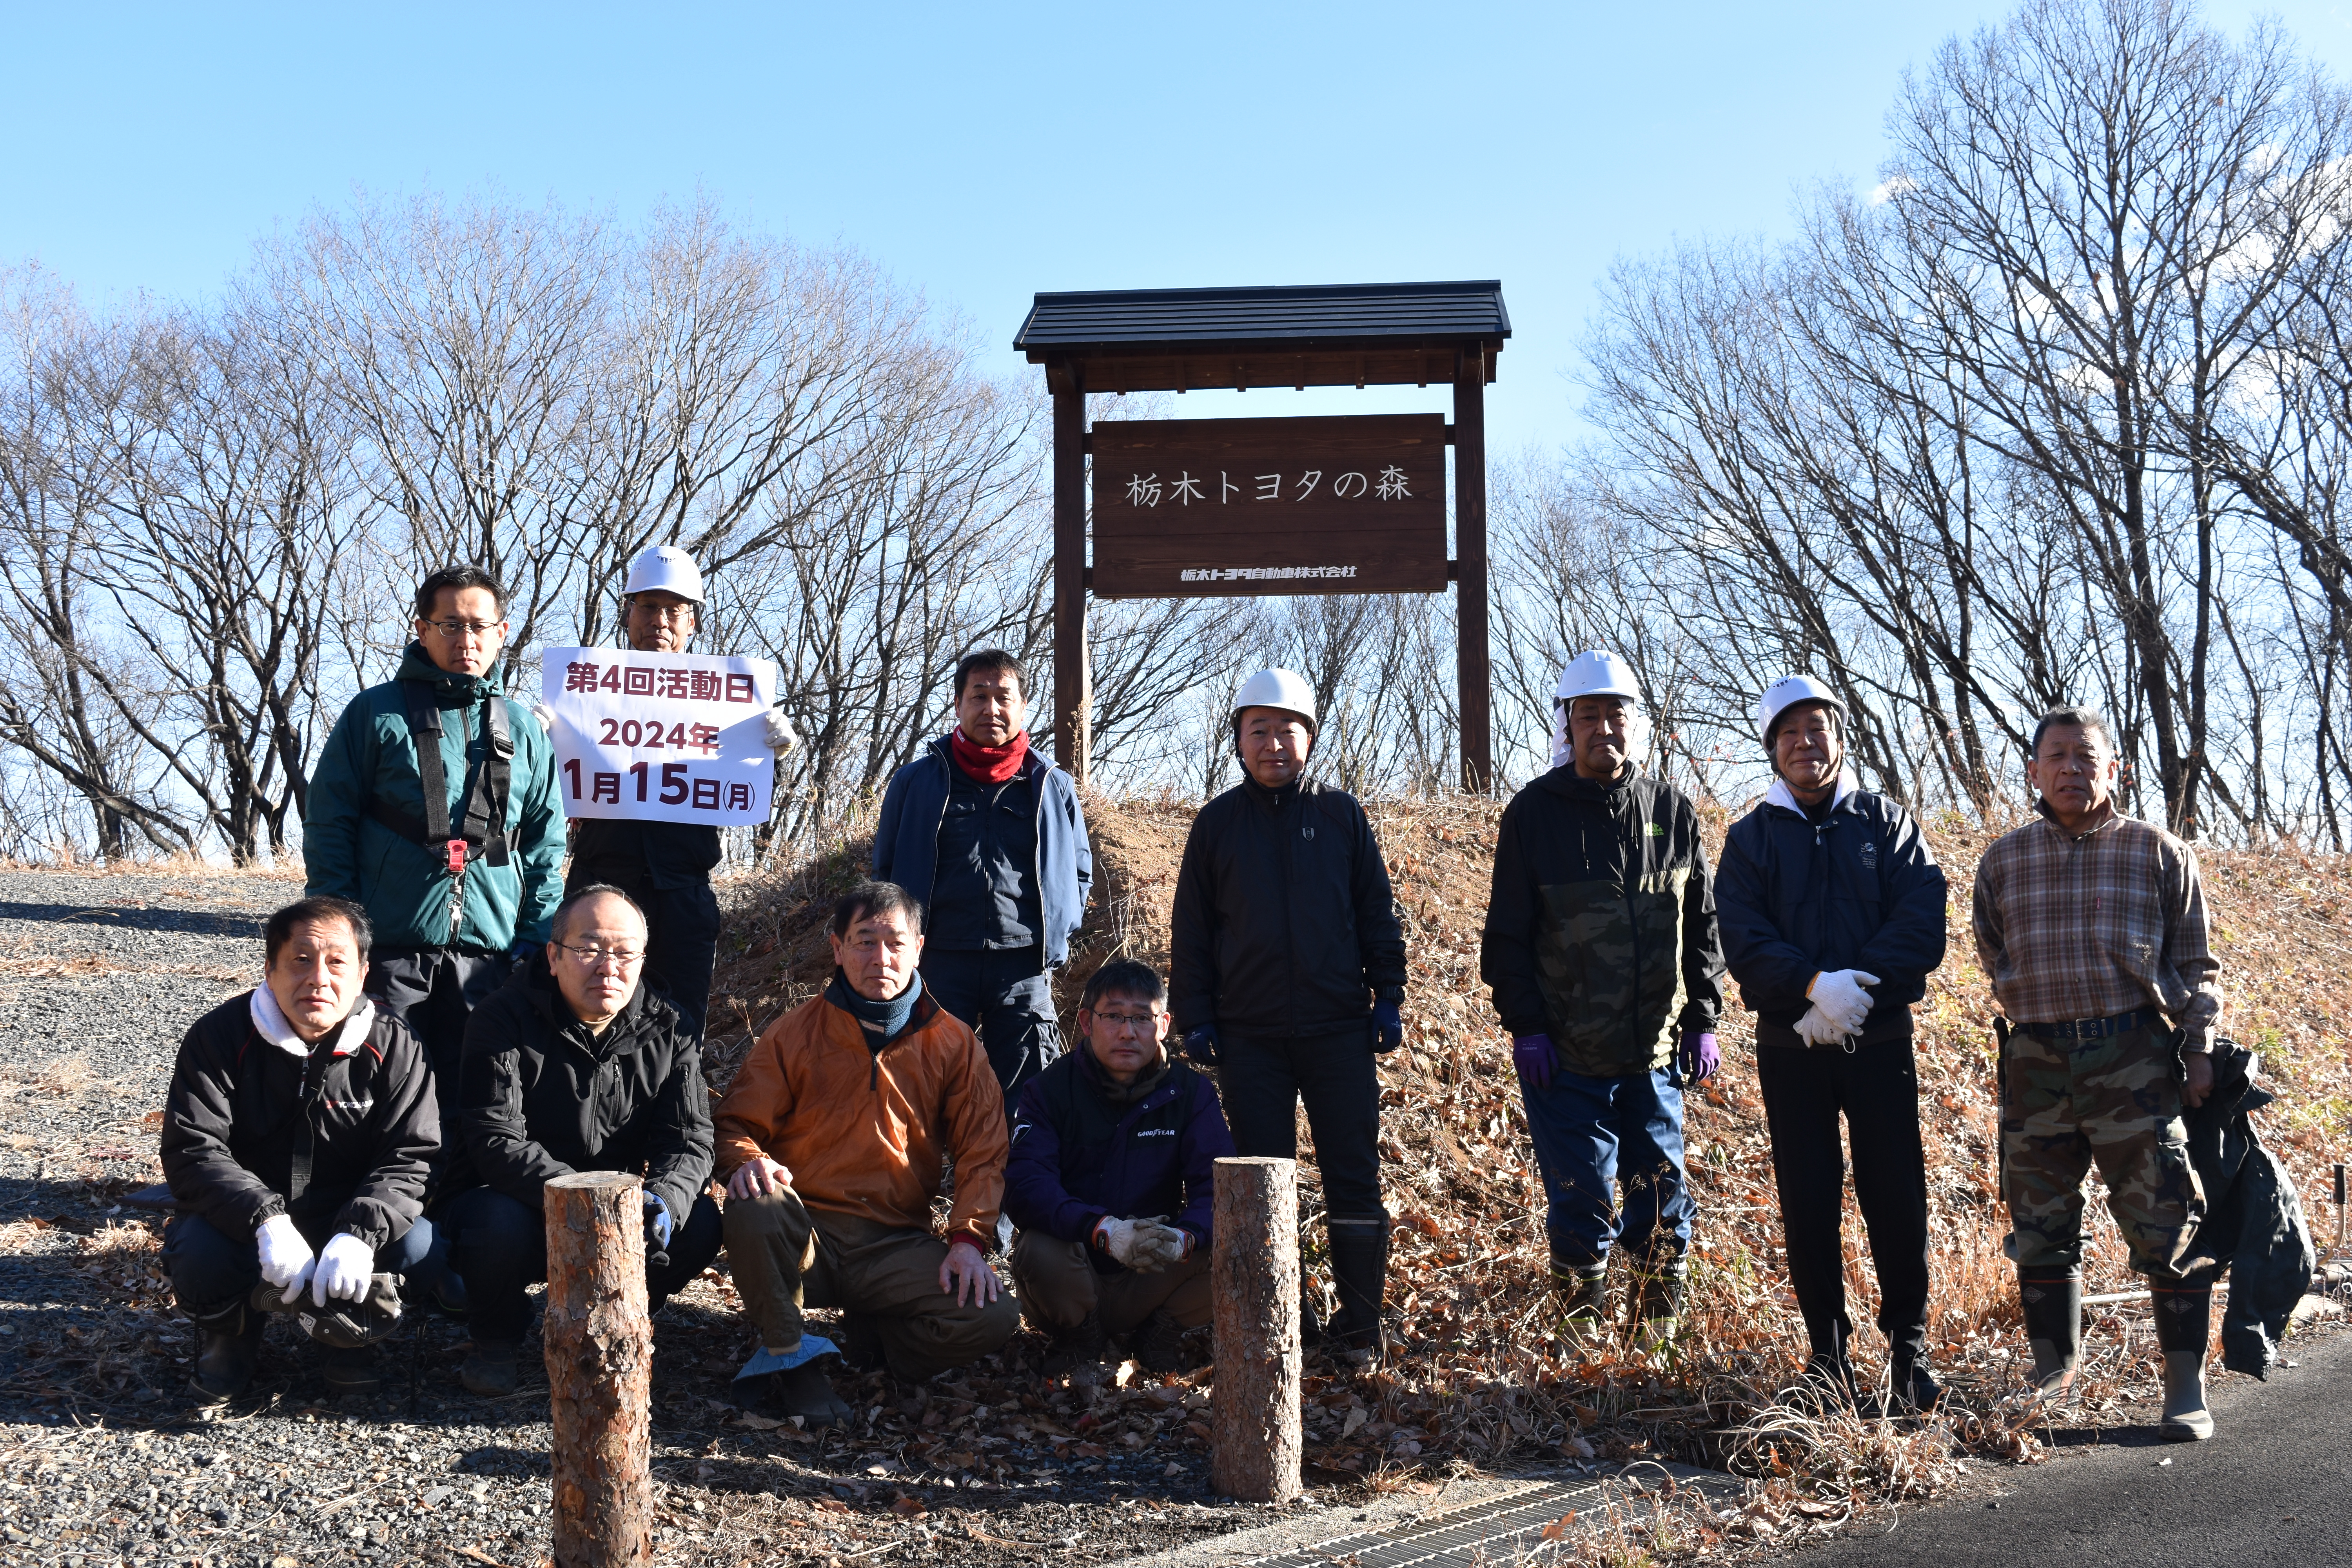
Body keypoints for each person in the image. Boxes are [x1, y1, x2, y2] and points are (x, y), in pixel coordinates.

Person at [1973, 705, 2224, 1441]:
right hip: (2036, 1061)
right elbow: (1994, 951)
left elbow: (2196, 963)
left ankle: (2185, 1388)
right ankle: (2053, 1376)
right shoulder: (2003, 860)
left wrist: (2201, 1048)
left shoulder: (2158, 851)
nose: (2071, 770)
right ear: (2034, 772)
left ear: (2114, 769)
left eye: (2087, 758)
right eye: (2056, 757)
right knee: (2041, 1224)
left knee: (2167, 1218)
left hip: (2134, 1057)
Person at [1715, 676, 1949, 1409]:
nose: (1804, 744)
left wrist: (1854, 994)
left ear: (1839, 738)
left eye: (1816, 729)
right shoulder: (1750, 839)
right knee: (1808, 1200)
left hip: (1879, 1045)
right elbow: (1743, 940)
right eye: (1789, 734)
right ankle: (1828, 1357)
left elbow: (1921, 919)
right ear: (1771, 750)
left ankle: (1907, 1353)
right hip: (1792, 1053)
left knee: (1896, 1195)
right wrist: (1813, 989)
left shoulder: (1886, 822)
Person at [1480, 650, 1724, 1348]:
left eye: (1615, 713)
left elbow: (1703, 925)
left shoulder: (1671, 810)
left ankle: (1656, 1340)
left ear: (1633, 723)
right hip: (1566, 1060)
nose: (1603, 728)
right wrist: (1526, 1027)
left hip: (1654, 1058)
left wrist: (1703, 1018)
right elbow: (1507, 937)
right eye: (1588, 715)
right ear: (1567, 725)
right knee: (1581, 1201)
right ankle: (1582, 1346)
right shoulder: (1533, 815)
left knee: (1661, 1200)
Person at [713, 880, 1019, 1426]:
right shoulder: (793, 1034)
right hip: (805, 1235)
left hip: (895, 1243)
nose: (881, 957)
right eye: (864, 941)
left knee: (994, 1315)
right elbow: (735, 1125)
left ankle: (877, 1342)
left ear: (919, 948)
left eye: (895, 943)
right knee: (752, 1205)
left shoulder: (954, 1043)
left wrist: (969, 1239)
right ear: (836, 949)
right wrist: (747, 1160)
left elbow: (984, 1151)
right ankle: (791, 1360)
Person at [1170, 668, 1407, 1361]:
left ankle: (1362, 1330)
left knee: (1352, 1175)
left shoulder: (1341, 816)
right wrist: (1197, 1017)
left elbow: (1377, 915)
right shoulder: (1217, 825)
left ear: (1311, 736)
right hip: (1250, 1037)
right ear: (1238, 741)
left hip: (1339, 1032)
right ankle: (1286, 1327)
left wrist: (1387, 996)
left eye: (1288, 730)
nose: (1274, 744)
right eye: (1259, 731)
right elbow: (1193, 932)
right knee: (1265, 1181)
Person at [303, 564, 564, 1182]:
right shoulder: (373, 715)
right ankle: (370, 1225)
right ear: (422, 629)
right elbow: (330, 821)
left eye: (479, 627)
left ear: (502, 633)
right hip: (391, 950)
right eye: (450, 625)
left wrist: (536, 935)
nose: (465, 641)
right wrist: (342, 928)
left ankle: (460, 1236)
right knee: (378, 1094)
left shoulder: (523, 729)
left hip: (491, 957)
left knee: (479, 1103)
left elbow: (546, 845)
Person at [437, 884, 720, 1396]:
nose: (607, 966)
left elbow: (690, 1140)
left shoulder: (670, 1027)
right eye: (588, 948)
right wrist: (590, 1201)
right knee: (490, 1222)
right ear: (553, 955)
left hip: (621, 1207)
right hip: (521, 1203)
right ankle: (496, 1336)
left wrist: (659, 1201)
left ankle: (614, 1320)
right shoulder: (500, 1019)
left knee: (698, 1221)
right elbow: (495, 1137)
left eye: (624, 952)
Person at [160, 896, 440, 1401]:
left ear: (362, 974)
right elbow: (193, 1149)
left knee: (417, 1244)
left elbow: (411, 1154)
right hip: (246, 1220)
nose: (318, 979)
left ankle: (348, 1336)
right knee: (197, 1249)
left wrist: (359, 1230)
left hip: (346, 1212)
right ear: (270, 968)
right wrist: (265, 1219)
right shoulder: (218, 1036)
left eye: (336, 962)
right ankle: (231, 1338)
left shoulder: (396, 1044)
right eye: (301, 960)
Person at [551, 544, 799, 1042]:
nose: (659, 621)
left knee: (678, 1030)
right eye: (647, 606)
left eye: (674, 610)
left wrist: (771, 755)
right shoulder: (584, 692)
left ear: (693, 624)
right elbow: (543, 796)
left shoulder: (724, 701)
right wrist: (540, 743)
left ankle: (674, 1120)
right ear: (627, 615)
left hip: (683, 891)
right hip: (599, 884)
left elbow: (739, 794)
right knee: (584, 1025)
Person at [872, 649, 1091, 1100]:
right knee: (922, 1093)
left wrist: (1059, 933)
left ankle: (1017, 1175)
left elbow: (1079, 872)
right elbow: (886, 871)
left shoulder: (1051, 784)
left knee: (1029, 1100)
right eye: (979, 695)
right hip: (937, 960)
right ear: (957, 704)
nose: (991, 708)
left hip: (1023, 967)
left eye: (1003, 697)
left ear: (1023, 706)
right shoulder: (917, 781)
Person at [1004, 958, 1236, 1385]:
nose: (1128, 1032)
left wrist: (1185, 1238)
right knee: (1038, 1247)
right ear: (1087, 1022)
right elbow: (1026, 1185)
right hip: (1074, 1276)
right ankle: (1081, 1339)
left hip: (1152, 1270)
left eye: (1142, 1018)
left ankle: (1160, 1335)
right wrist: (1103, 1229)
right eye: (1113, 1016)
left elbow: (1219, 1187)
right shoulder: (1049, 1089)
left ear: (1163, 1025)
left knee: (1236, 1242)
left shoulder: (1191, 1093)